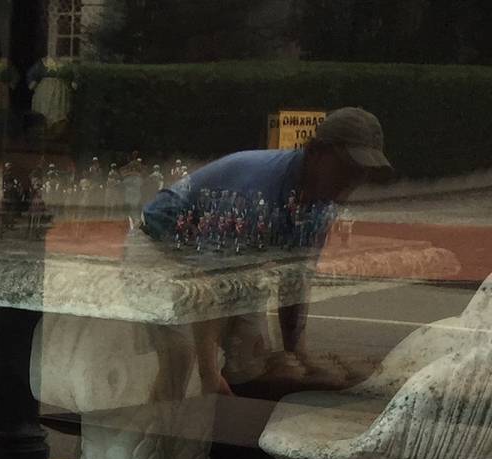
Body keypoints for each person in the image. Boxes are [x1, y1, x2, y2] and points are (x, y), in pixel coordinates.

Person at [137, 108, 393, 394]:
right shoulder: (254, 197)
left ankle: (221, 425)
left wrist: (298, 354)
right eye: (347, 167)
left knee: (249, 363)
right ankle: (152, 435)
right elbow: (209, 285)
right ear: (318, 153)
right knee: (181, 359)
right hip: (159, 249)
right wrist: (209, 373)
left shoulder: (321, 203)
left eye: (362, 172)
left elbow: (294, 280)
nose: (353, 180)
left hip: (230, 261)